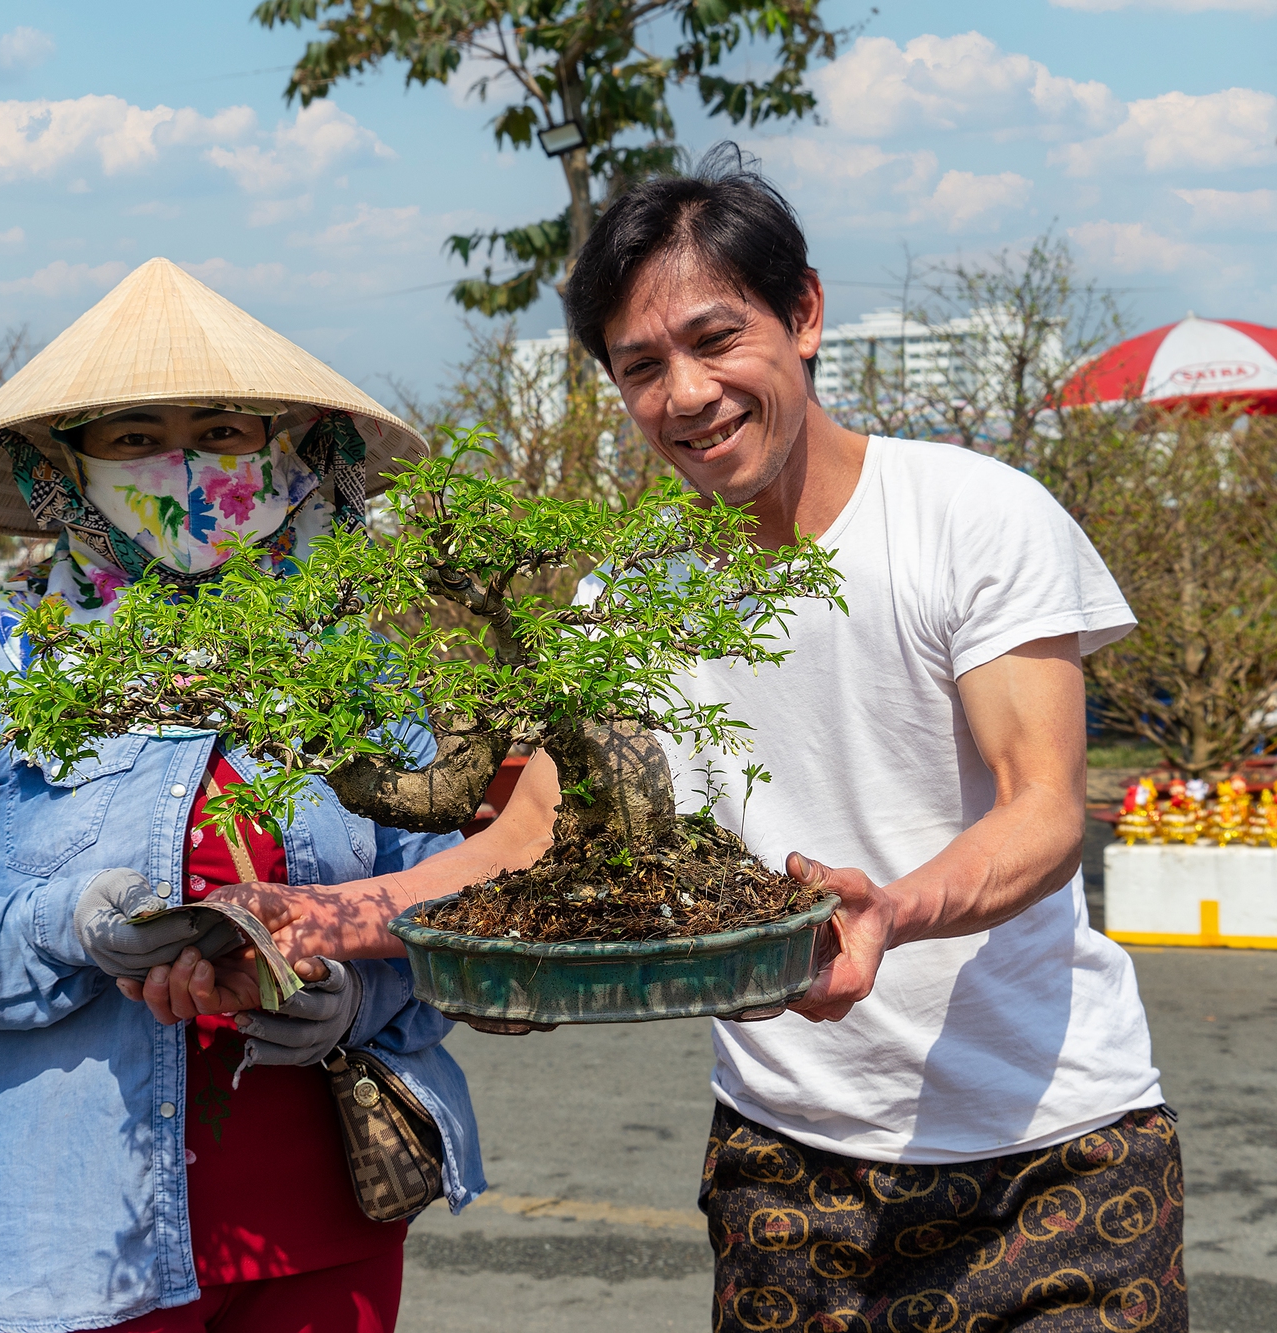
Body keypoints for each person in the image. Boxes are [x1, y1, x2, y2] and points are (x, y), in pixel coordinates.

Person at [218, 149, 1183, 1331]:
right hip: (785, 1163)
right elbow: (522, 840)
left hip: (1052, 1153)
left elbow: (1043, 811)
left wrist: (892, 908)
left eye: (716, 339)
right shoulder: (633, 597)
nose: (684, 393)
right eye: (640, 366)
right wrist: (325, 919)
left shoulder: (971, 517)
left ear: (805, 314)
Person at [0, 258, 484, 1333]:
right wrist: (62, 924)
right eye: (134, 438)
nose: (182, 464)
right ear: (63, 468)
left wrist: (359, 1002)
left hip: (328, 1231)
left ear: (286, 455)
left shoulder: (363, 672)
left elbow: (454, 914)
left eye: (223, 431)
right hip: (69, 1245)